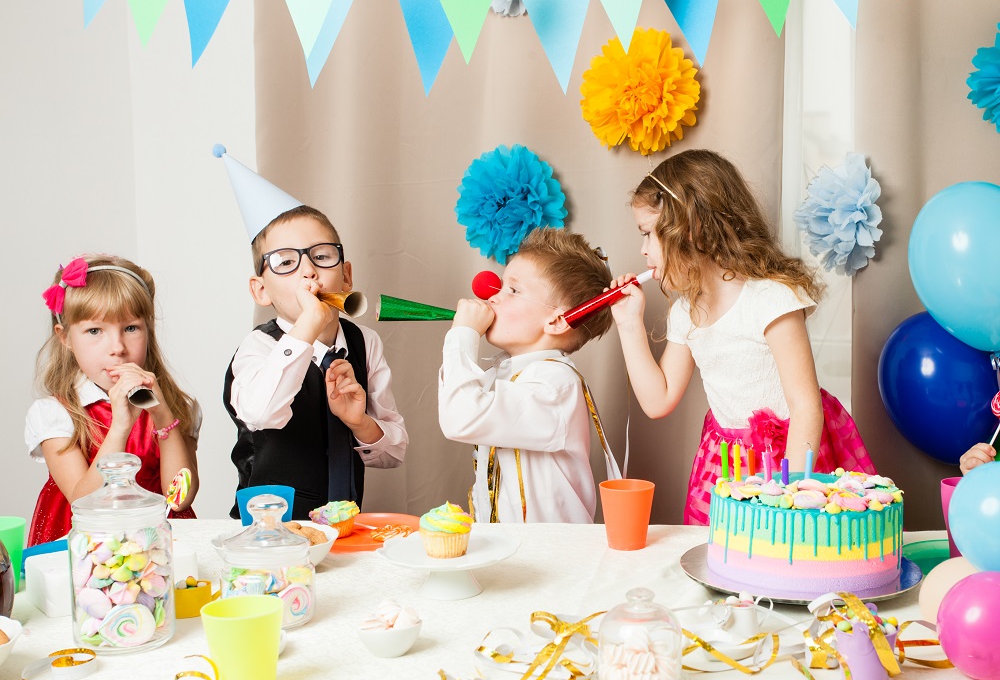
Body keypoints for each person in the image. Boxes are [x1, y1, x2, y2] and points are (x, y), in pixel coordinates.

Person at [609, 149, 875, 526]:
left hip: (792, 457)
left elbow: (805, 407)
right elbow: (658, 400)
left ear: (691, 228)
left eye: (648, 233)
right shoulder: (686, 311)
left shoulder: (772, 299)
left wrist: (790, 496)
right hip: (727, 462)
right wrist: (628, 323)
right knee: (730, 551)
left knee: (788, 547)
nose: (643, 249)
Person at [223, 204, 407, 520]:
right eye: (285, 262)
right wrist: (310, 322)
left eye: (321, 256)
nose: (309, 271)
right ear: (261, 290)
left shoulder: (365, 342)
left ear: (346, 276)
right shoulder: (258, 347)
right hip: (268, 532)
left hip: (344, 528)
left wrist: (359, 422)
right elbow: (261, 413)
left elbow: (394, 453)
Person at [438, 227, 619, 523]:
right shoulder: (508, 373)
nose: (492, 297)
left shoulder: (555, 385)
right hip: (512, 545)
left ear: (557, 320)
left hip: (550, 549)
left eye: (513, 290)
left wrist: (463, 334)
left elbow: (461, 417)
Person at [25, 255, 199, 546]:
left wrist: (162, 416)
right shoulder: (54, 413)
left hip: (156, 544)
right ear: (65, 338)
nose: (117, 348)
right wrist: (120, 426)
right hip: (87, 548)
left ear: (148, 329)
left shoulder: (178, 407)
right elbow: (84, 501)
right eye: (95, 331)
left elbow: (179, 499)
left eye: (131, 328)